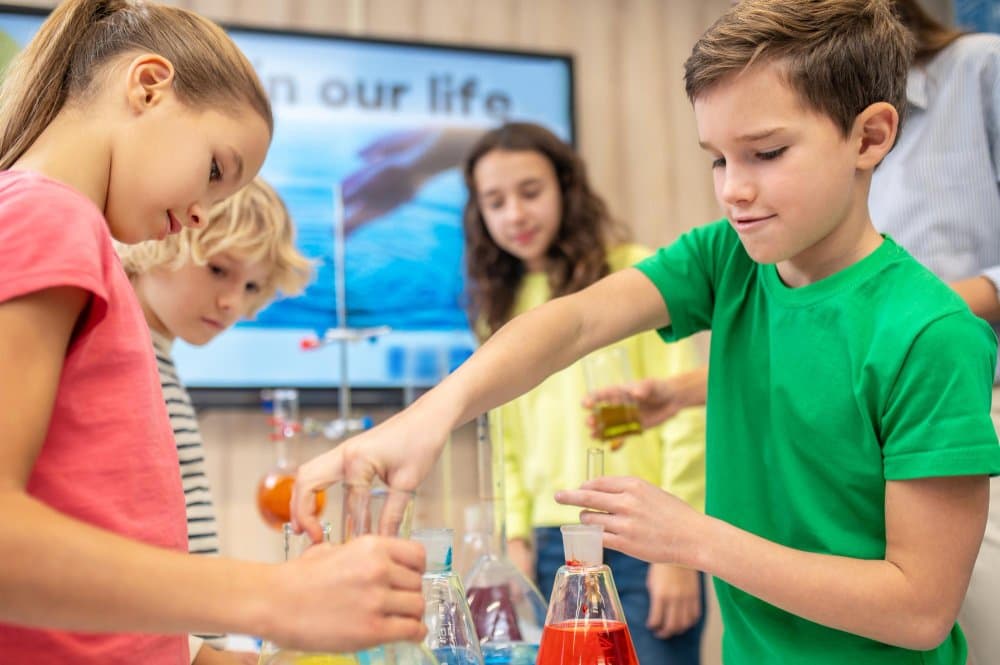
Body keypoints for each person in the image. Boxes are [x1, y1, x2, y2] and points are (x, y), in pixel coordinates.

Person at [292, 0, 1000, 662]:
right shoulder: (728, 260)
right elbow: (573, 323)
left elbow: (918, 609)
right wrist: (427, 417)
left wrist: (693, 540)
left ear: (870, 137)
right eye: (718, 158)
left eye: (767, 153)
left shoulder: (931, 333)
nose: (732, 190)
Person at [0, 1, 425, 662]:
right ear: (147, 86)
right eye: (216, 170)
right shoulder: (49, 216)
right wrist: (275, 596)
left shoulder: (64, 229)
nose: (200, 214)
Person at [462, 122, 708, 663]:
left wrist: (678, 551)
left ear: (566, 189)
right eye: (495, 202)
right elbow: (503, 433)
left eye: (530, 193)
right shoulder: (497, 306)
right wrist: (516, 536)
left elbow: (685, 416)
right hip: (550, 544)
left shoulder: (633, 274)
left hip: (642, 535)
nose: (515, 215)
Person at [117, 177, 313, 665]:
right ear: (162, 236)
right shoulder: (123, 355)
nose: (233, 303)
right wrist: (199, 654)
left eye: (250, 286)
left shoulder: (154, 356)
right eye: (218, 270)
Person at [868, 3, 1000, 663]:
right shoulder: (816, 116)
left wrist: (927, 314)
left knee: (976, 628)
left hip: (973, 404)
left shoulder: (980, 68)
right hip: (866, 421)